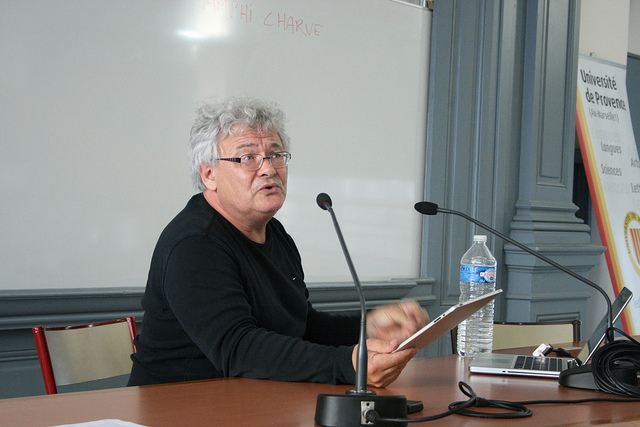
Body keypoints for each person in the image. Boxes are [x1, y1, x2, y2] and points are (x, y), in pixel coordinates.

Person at [128, 96, 428, 388]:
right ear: (209, 175)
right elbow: (239, 348)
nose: (269, 168)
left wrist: (368, 327)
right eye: (248, 158)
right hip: (176, 409)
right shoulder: (195, 244)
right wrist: (347, 365)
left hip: (250, 402)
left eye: (275, 155)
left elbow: (301, 326)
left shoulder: (275, 233)